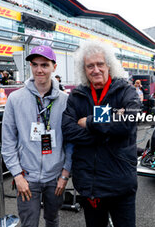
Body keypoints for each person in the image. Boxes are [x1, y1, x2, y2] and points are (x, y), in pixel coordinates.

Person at [62, 41, 140, 227]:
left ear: (109, 66)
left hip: (120, 183)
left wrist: (89, 122)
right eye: (90, 65)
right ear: (84, 69)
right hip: (90, 185)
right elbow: (68, 130)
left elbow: (129, 121)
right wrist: (108, 130)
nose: (95, 70)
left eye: (100, 64)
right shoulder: (77, 95)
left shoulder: (126, 91)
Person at [1, 45, 70, 227]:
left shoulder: (65, 101)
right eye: (35, 64)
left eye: (45, 65)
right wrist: (17, 175)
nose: (39, 70)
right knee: (29, 223)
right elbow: (8, 142)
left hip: (55, 177)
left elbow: (71, 142)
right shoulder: (15, 99)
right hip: (27, 178)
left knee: (52, 220)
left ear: (54, 67)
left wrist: (65, 174)